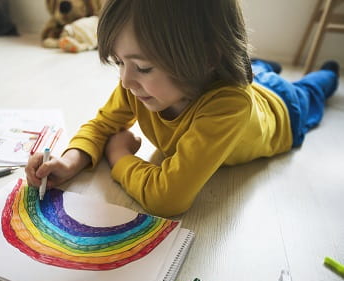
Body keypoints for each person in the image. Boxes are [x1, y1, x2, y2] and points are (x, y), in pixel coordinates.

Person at [26, 0, 340, 217]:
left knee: (311, 89)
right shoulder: (136, 85)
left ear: (207, 58)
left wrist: (119, 157)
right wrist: (68, 162)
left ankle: (330, 73)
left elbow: (167, 198)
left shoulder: (229, 106)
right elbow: (102, 125)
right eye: (120, 62)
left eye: (143, 67)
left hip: (283, 110)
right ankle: (260, 67)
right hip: (241, 80)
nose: (125, 80)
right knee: (258, 71)